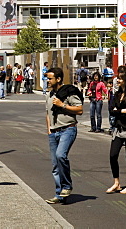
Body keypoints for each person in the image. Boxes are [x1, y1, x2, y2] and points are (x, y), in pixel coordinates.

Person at [44, 66, 83, 204]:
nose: (47, 81)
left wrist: (62, 105)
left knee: (61, 155)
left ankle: (67, 186)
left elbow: (79, 110)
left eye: (50, 78)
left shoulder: (69, 93)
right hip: (53, 132)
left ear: (58, 79)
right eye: (47, 78)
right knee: (55, 165)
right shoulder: (49, 94)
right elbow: (47, 113)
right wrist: (49, 130)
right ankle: (60, 194)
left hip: (68, 129)